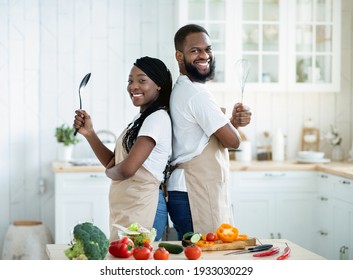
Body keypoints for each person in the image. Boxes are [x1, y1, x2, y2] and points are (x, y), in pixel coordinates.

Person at [166, 24, 252, 240]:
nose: (204, 55)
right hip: (195, 193)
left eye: (208, 49)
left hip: (187, 190)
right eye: (195, 50)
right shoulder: (196, 94)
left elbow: (204, 136)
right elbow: (233, 141)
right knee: (206, 258)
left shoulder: (184, 88)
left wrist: (231, 121)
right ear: (179, 56)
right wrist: (232, 126)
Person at [73, 56, 173, 241]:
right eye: (130, 80)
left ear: (158, 85)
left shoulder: (157, 119)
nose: (133, 86)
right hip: (130, 207)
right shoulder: (141, 119)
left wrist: (109, 173)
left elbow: (126, 169)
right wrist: (89, 133)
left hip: (144, 207)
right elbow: (115, 162)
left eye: (142, 80)